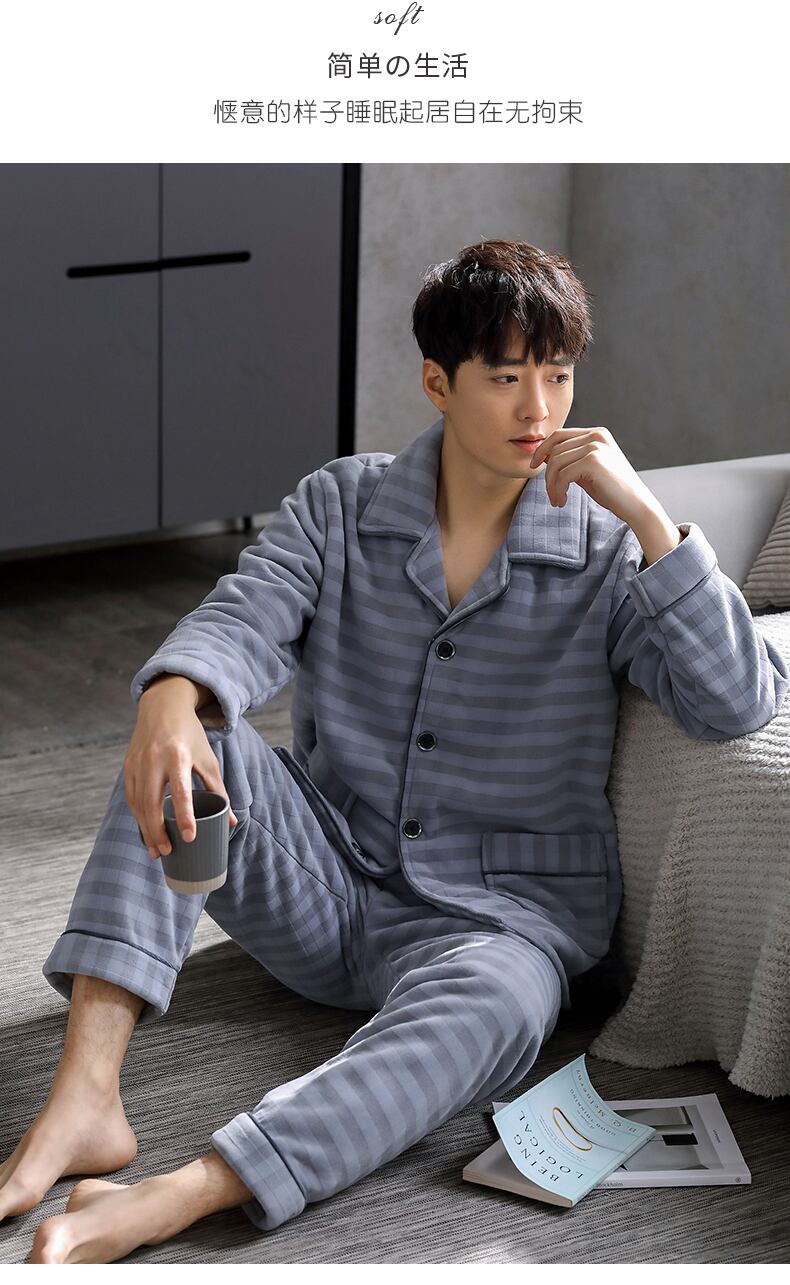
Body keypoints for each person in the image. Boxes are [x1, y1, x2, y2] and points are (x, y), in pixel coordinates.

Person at [3, 240, 787, 1264]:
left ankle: (195, 1189)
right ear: (437, 382)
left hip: (498, 922)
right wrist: (170, 695)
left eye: (556, 376)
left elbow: (737, 704)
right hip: (326, 879)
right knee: (189, 743)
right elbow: (245, 615)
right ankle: (86, 1095)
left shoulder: (605, 550)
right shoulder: (342, 503)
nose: (538, 409)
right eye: (504, 377)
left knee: (503, 1008)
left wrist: (647, 517)